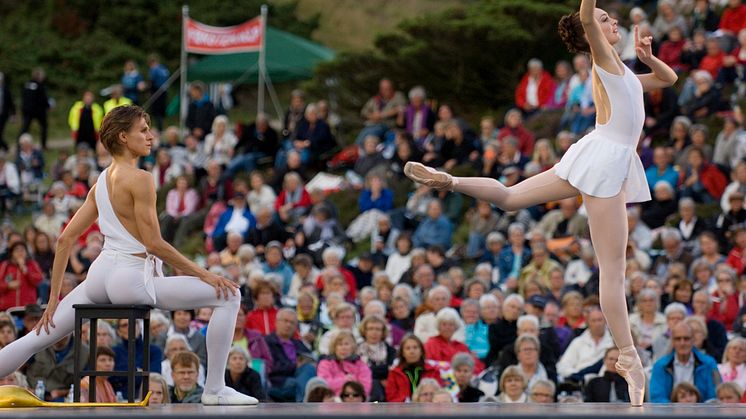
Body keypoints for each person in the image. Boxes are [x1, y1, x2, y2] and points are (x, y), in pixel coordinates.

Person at [403, 0, 677, 407]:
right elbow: (587, 16)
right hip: (604, 162)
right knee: (613, 272)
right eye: (605, 19)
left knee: (512, 199)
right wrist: (592, 14)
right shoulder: (602, 57)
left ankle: (452, 181)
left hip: (597, 155)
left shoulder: (625, 75)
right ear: (593, 36)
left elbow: (668, 80)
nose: (612, 21)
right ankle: (629, 357)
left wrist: (650, 58)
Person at [0, 105, 257, 405]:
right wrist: (204, 273)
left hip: (99, 275)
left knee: (34, 339)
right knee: (229, 296)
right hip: (129, 276)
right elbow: (154, 244)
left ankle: (215, 389)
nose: (150, 136)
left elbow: (64, 239)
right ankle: (214, 389)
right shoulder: (141, 178)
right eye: (143, 130)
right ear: (124, 136)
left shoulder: (100, 184)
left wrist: (54, 300)